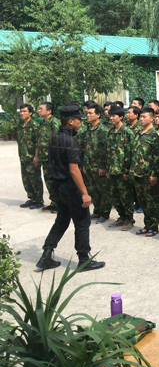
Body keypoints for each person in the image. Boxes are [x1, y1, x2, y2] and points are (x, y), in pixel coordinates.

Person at [35, 105, 105, 272]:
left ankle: (46, 255)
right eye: (79, 119)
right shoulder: (70, 141)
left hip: (57, 187)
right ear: (71, 121)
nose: (81, 122)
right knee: (82, 222)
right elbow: (74, 170)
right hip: (70, 187)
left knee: (62, 220)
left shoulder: (54, 137)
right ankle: (84, 260)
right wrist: (84, 193)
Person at [131, 108, 159, 237]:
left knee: (151, 202)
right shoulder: (138, 134)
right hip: (137, 173)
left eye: (144, 117)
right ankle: (147, 225)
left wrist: (154, 174)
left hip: (148, 174)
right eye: (140, 117)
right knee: (142, 202)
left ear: (152, 118)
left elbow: (157, 157)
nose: (141, 119)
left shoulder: (155, 135)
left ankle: (153, 226)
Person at [106, 106, 135, 231]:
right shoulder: (110, 132)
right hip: (112, 169)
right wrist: (108, 169)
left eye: (114, 116)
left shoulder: (127, 132)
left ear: (121, 117)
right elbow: (108, 152)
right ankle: (122, 217)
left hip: (123, 171)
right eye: (110, 116)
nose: (111, 118)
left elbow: (130, 152)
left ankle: (129, 219)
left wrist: (127, 171)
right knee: (114, 196)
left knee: (125, 196)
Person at [83, 104, 112, 223]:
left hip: (99, 166)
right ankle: (97, 211)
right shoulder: (88, 130)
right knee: (93, 190)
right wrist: (84, 164)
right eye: (87, 113)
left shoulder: (103, 130)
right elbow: (86, 148)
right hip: (89, 165)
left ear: (98, 115)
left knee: (103, 191)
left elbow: (106, 150)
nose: (88, 115)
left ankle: (104, 213)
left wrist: (103, 167)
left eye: (90, 113)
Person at [34, 102, 61, 213]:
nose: (39, 111)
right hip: (44, 158)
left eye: (41, 109)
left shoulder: (55, 123)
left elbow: (59, 142)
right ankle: (53, 202)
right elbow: (38, 141)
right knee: (48, 181)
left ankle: (60, 204)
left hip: (53, 158)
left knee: (56, 181)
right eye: (39, 109)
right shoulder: (42, 123)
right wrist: (36, 156)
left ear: (49, 111)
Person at [17, 104, 44, 209]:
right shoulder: (20, 125)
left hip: (32, 157)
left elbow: (37, 143)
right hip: (23, 157)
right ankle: (32, 198)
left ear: (31, 113)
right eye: (21, 111)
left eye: (24, 111)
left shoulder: (35, 126)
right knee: (26, 180)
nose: (22, 113)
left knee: (35, 179)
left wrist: (36, 157)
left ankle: (39, 200)